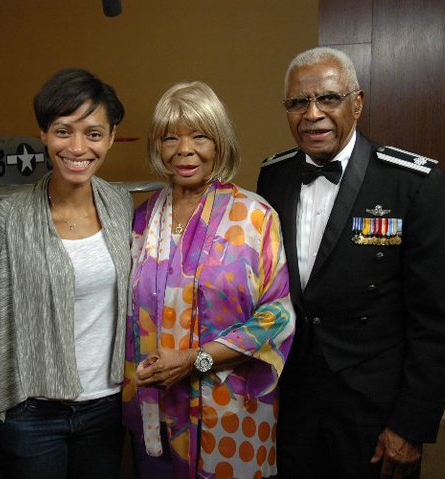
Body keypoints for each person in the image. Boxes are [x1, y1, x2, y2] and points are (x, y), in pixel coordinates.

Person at [256, 47, 445, 479]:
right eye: (298, 103)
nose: (312, 114)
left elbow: (435, 321)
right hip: (294, 399)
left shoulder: (411, 183)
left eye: (328, 98)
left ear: (357, 102)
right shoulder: (272, 176)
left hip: (374, 406)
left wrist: (410, 424)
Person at [123, 81, 295, 479]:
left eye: (200, 136)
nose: (185, 149)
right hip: (158, 413)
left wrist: (194, 360)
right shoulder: (142, 219)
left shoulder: (255, 217)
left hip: (232, 414)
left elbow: (278, 316)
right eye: (171, 138)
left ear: (219, 143)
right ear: (158, 146)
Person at [0, 68, 132, 479]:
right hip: (31, 412)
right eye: (64, 131)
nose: (78, 147)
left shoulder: (120, 206)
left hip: (106, 405)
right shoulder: (6, 219)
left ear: (111, 137)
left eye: (94, 134)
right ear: (43, 133)